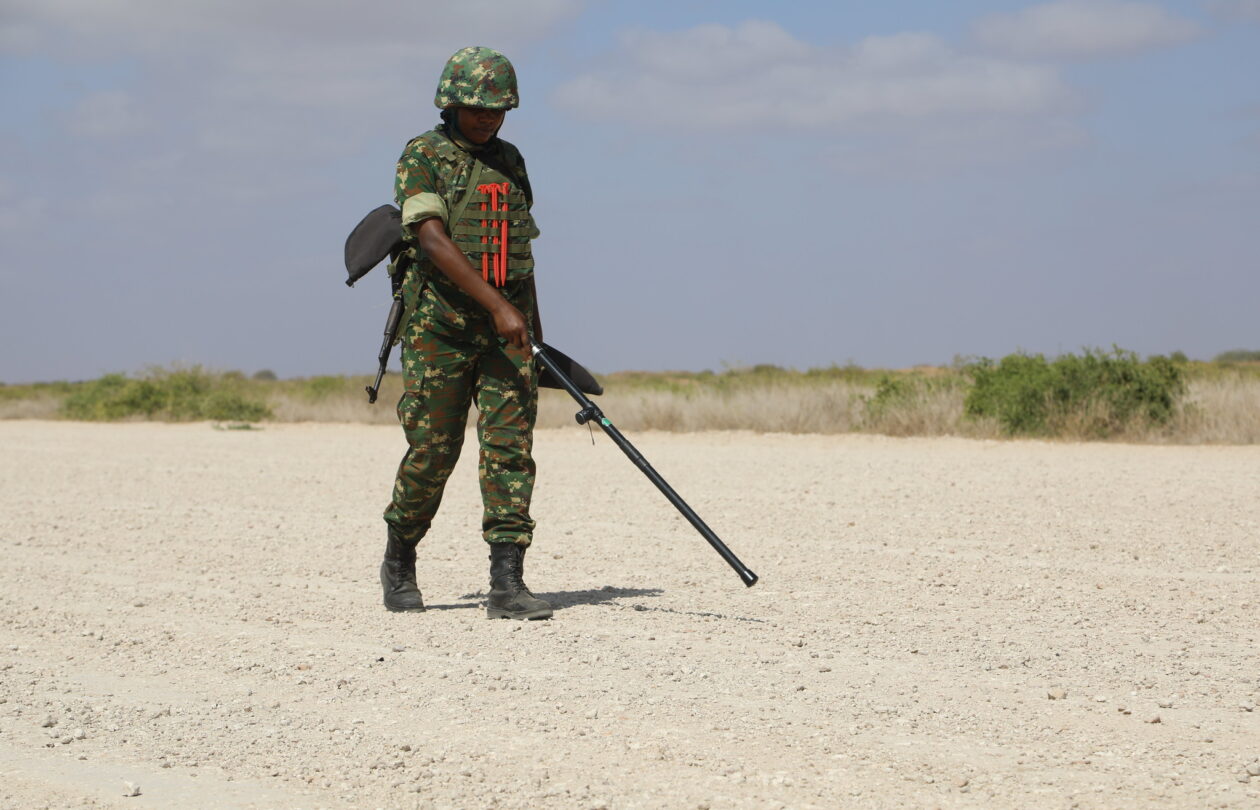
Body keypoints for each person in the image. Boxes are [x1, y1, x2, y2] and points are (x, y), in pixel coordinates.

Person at [379, 46, 551, 620]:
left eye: (497, 110)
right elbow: (430, 238)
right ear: (451, 104)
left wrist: (533, 329)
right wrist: (498, 308)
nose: (487, 118)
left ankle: (508, 584)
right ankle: (399, 559)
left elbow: (519, 251)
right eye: (477, 108)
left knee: (509, 449)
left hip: (507, 330)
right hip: (440, 329)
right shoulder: (422, 155)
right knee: (433, 451)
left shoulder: (510, 160)